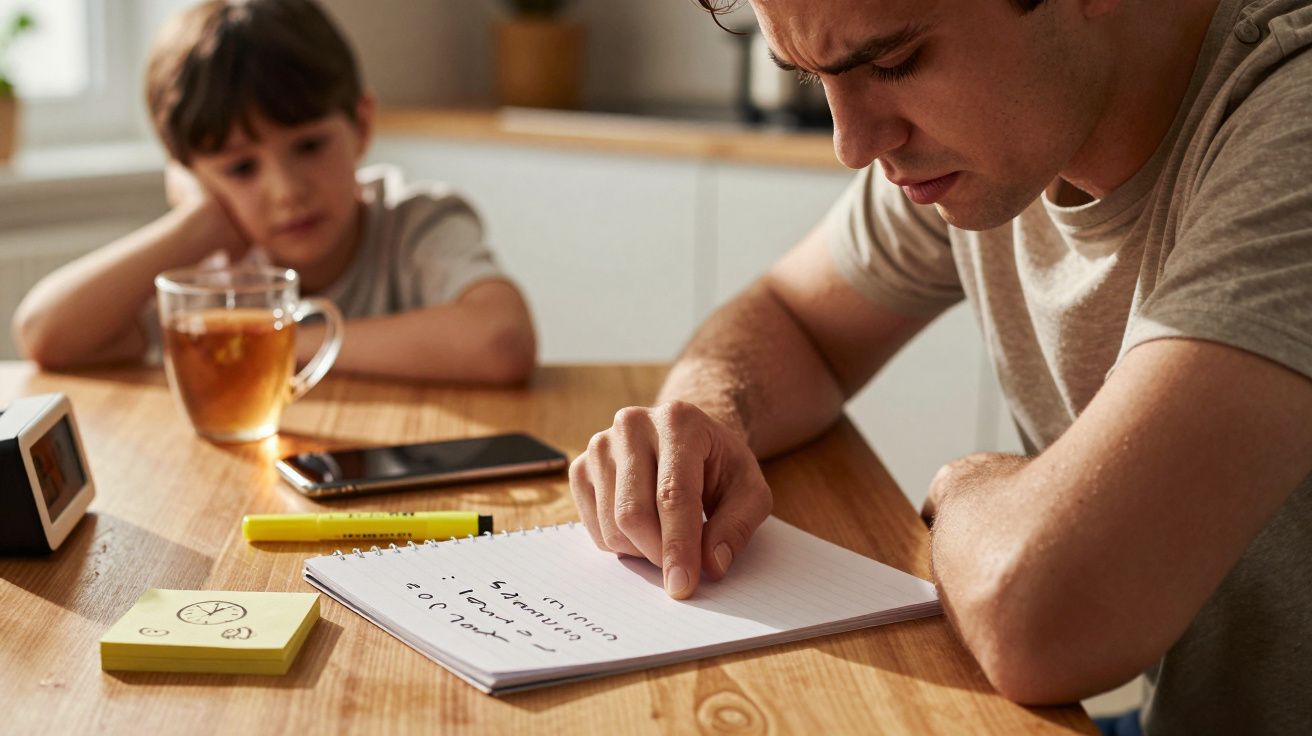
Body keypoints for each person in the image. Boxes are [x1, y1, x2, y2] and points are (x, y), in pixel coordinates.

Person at [567, 1, 1312, 734]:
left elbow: (1042, 621)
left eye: (893, 62)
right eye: (809, 79)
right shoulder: (1008, 136)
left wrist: (963, 488)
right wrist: (706, 420)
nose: (852, 144)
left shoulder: (1292, 125)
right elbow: (793, 318)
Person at [12, 0, 536, 383]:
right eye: (241, 168)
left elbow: (501, 340)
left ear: (361, 124)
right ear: (192, 177)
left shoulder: (415, 222)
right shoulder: (213, 270)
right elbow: (45, 334)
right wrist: (196, 224)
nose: (287, 191)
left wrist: (277, 342)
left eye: (309, 146)